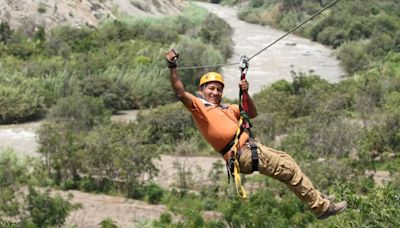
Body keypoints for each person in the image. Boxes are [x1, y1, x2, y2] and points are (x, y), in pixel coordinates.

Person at [165, 49, 347, 220]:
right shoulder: (200, 107)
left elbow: (251, 113)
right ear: (202, 90)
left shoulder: (228, 108)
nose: (215, 92)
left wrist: (245, 92)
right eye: (211, 88)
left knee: (288, 161)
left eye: (218, 89)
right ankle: (321, 208)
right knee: (289, 170)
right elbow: (180, 92)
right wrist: (172, 66)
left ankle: (318, 198)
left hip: (250, 149)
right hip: (242, 154)